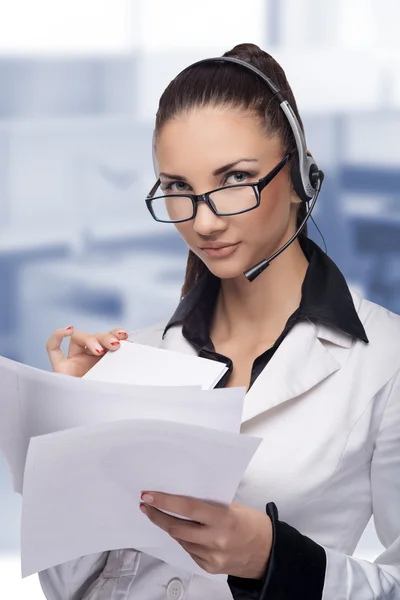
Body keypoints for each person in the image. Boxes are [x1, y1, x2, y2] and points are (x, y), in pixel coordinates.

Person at [40, 43, 400, 600]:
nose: (203, 221)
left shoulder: (385, 360)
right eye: (179, 189)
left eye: (234, 178)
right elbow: (68, 587)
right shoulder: (133, 355)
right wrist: (71, 425)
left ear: (303, 175)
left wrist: (274, 559)